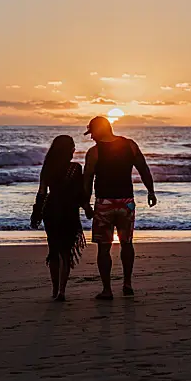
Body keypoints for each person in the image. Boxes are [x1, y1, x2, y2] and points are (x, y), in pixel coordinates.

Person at [82, 116, 157, 300]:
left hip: (104, 203)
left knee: (104, 248)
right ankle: (127, 284)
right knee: (127, 243)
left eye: (92, 133)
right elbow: (144, 169)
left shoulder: (94, 152)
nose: (91, 137)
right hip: (126, 203)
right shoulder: (130, 145)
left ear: (100, 130)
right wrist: (151, 191)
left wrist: (85, 204)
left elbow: (87, 180)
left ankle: (107, 290)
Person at [31, 135, 87, 302]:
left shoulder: (47, 168)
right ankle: (62, 290)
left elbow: (42, 192)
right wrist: (87, 209)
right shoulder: (76, 168)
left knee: (54, 250)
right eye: (73, 147)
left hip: (51, 210)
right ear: (69, 150)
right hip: (69, 211)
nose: (74, 150)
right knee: (66, 252)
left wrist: (37, 213)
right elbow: (80, 194)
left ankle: (55, 290)